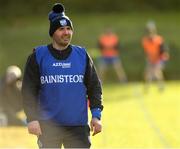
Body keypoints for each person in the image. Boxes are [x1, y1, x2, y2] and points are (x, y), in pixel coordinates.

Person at [22, 3, 103, 149]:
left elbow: (94, 87)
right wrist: (32, 119)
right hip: (48, 127)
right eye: (61, 29)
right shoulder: (38, 56)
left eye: (68, 29)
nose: (66, 32)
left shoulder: (82, 55)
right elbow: (28, 90)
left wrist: (96, 116)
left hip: (77, 126)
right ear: (53, 32)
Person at [142, 21, 170, 91]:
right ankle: (147, 87)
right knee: (148, 72)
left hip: (158, 59)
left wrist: (162, 57)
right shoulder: (145, 41)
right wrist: (150, 57)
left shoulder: (159, 39)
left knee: (157, 72)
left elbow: (163, 50)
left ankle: (161, 86)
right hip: (150, 59)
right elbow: (147, 51)